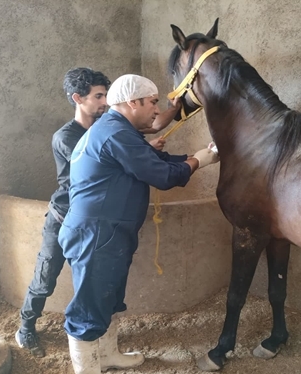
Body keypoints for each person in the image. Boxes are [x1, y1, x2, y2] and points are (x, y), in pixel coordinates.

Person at [59, 74, 219, 374]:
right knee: (90, 304)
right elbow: (162, 176)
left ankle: (106, 355)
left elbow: (155, 161)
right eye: (152, 102)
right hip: (97, 232)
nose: (157, 111)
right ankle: (86, 369)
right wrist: (199, 161)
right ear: (133, 102)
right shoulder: (115, 133)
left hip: (107, 231)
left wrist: (200, 156)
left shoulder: (119, 130)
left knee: (109, 295)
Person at [15, 68, 181, 357]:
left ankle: (106, 354)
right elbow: (116, 155)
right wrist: (142, 153)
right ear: (78, 98)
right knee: (45, 278)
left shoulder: (110, 125)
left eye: (106, 94)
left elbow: (148, 128)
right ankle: (26, 326)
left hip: (96, 222)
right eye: (99, 95)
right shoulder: (69, 136)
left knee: (101, 290)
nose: (105, 101)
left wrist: (174, 111)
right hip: (66, 215)